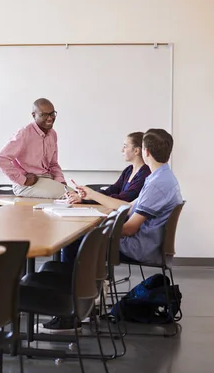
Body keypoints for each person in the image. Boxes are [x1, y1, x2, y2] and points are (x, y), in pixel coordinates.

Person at [39, 128, 183, 333]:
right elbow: (128, 206)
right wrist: (93, 201)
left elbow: (131, 228)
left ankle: (70, 315)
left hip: (140, 246)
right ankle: (84, 304)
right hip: (147, 241)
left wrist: (100, 231)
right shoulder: (161, 176)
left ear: (145, 152)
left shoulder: (157, 183)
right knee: (85, 237)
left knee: (76, 241)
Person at [0, 98, 68, 198]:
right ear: (34, 115)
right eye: (44, 114)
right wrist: (23, 180)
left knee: (77, 197)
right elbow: (1, 160)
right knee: (68, 196)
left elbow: (53, 164)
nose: (50, 118)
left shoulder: (52, 134)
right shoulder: (24, 133)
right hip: (27, 185)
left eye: (52, 114)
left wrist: (60, 181)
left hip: (47, 180)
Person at [67, 132, 151, 204]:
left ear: (136, 151)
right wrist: (84, 194)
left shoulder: (145, 174)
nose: (122, 150)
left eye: (125, 146)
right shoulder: (129, 170)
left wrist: (89, 198)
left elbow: (123, 199)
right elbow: (111, 190)